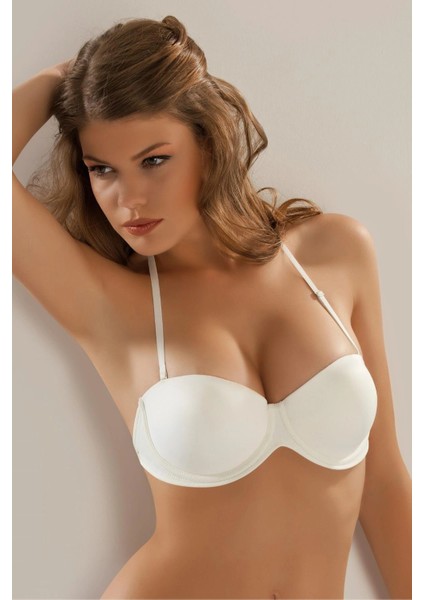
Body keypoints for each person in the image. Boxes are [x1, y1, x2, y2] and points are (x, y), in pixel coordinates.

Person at [12, 15, 411, 600]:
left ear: (207, 141)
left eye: (154, 160)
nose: (129, 199)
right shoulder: (110, 304)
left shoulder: (336, 253)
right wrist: (66, 79)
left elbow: (383, 478)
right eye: (103, 170)